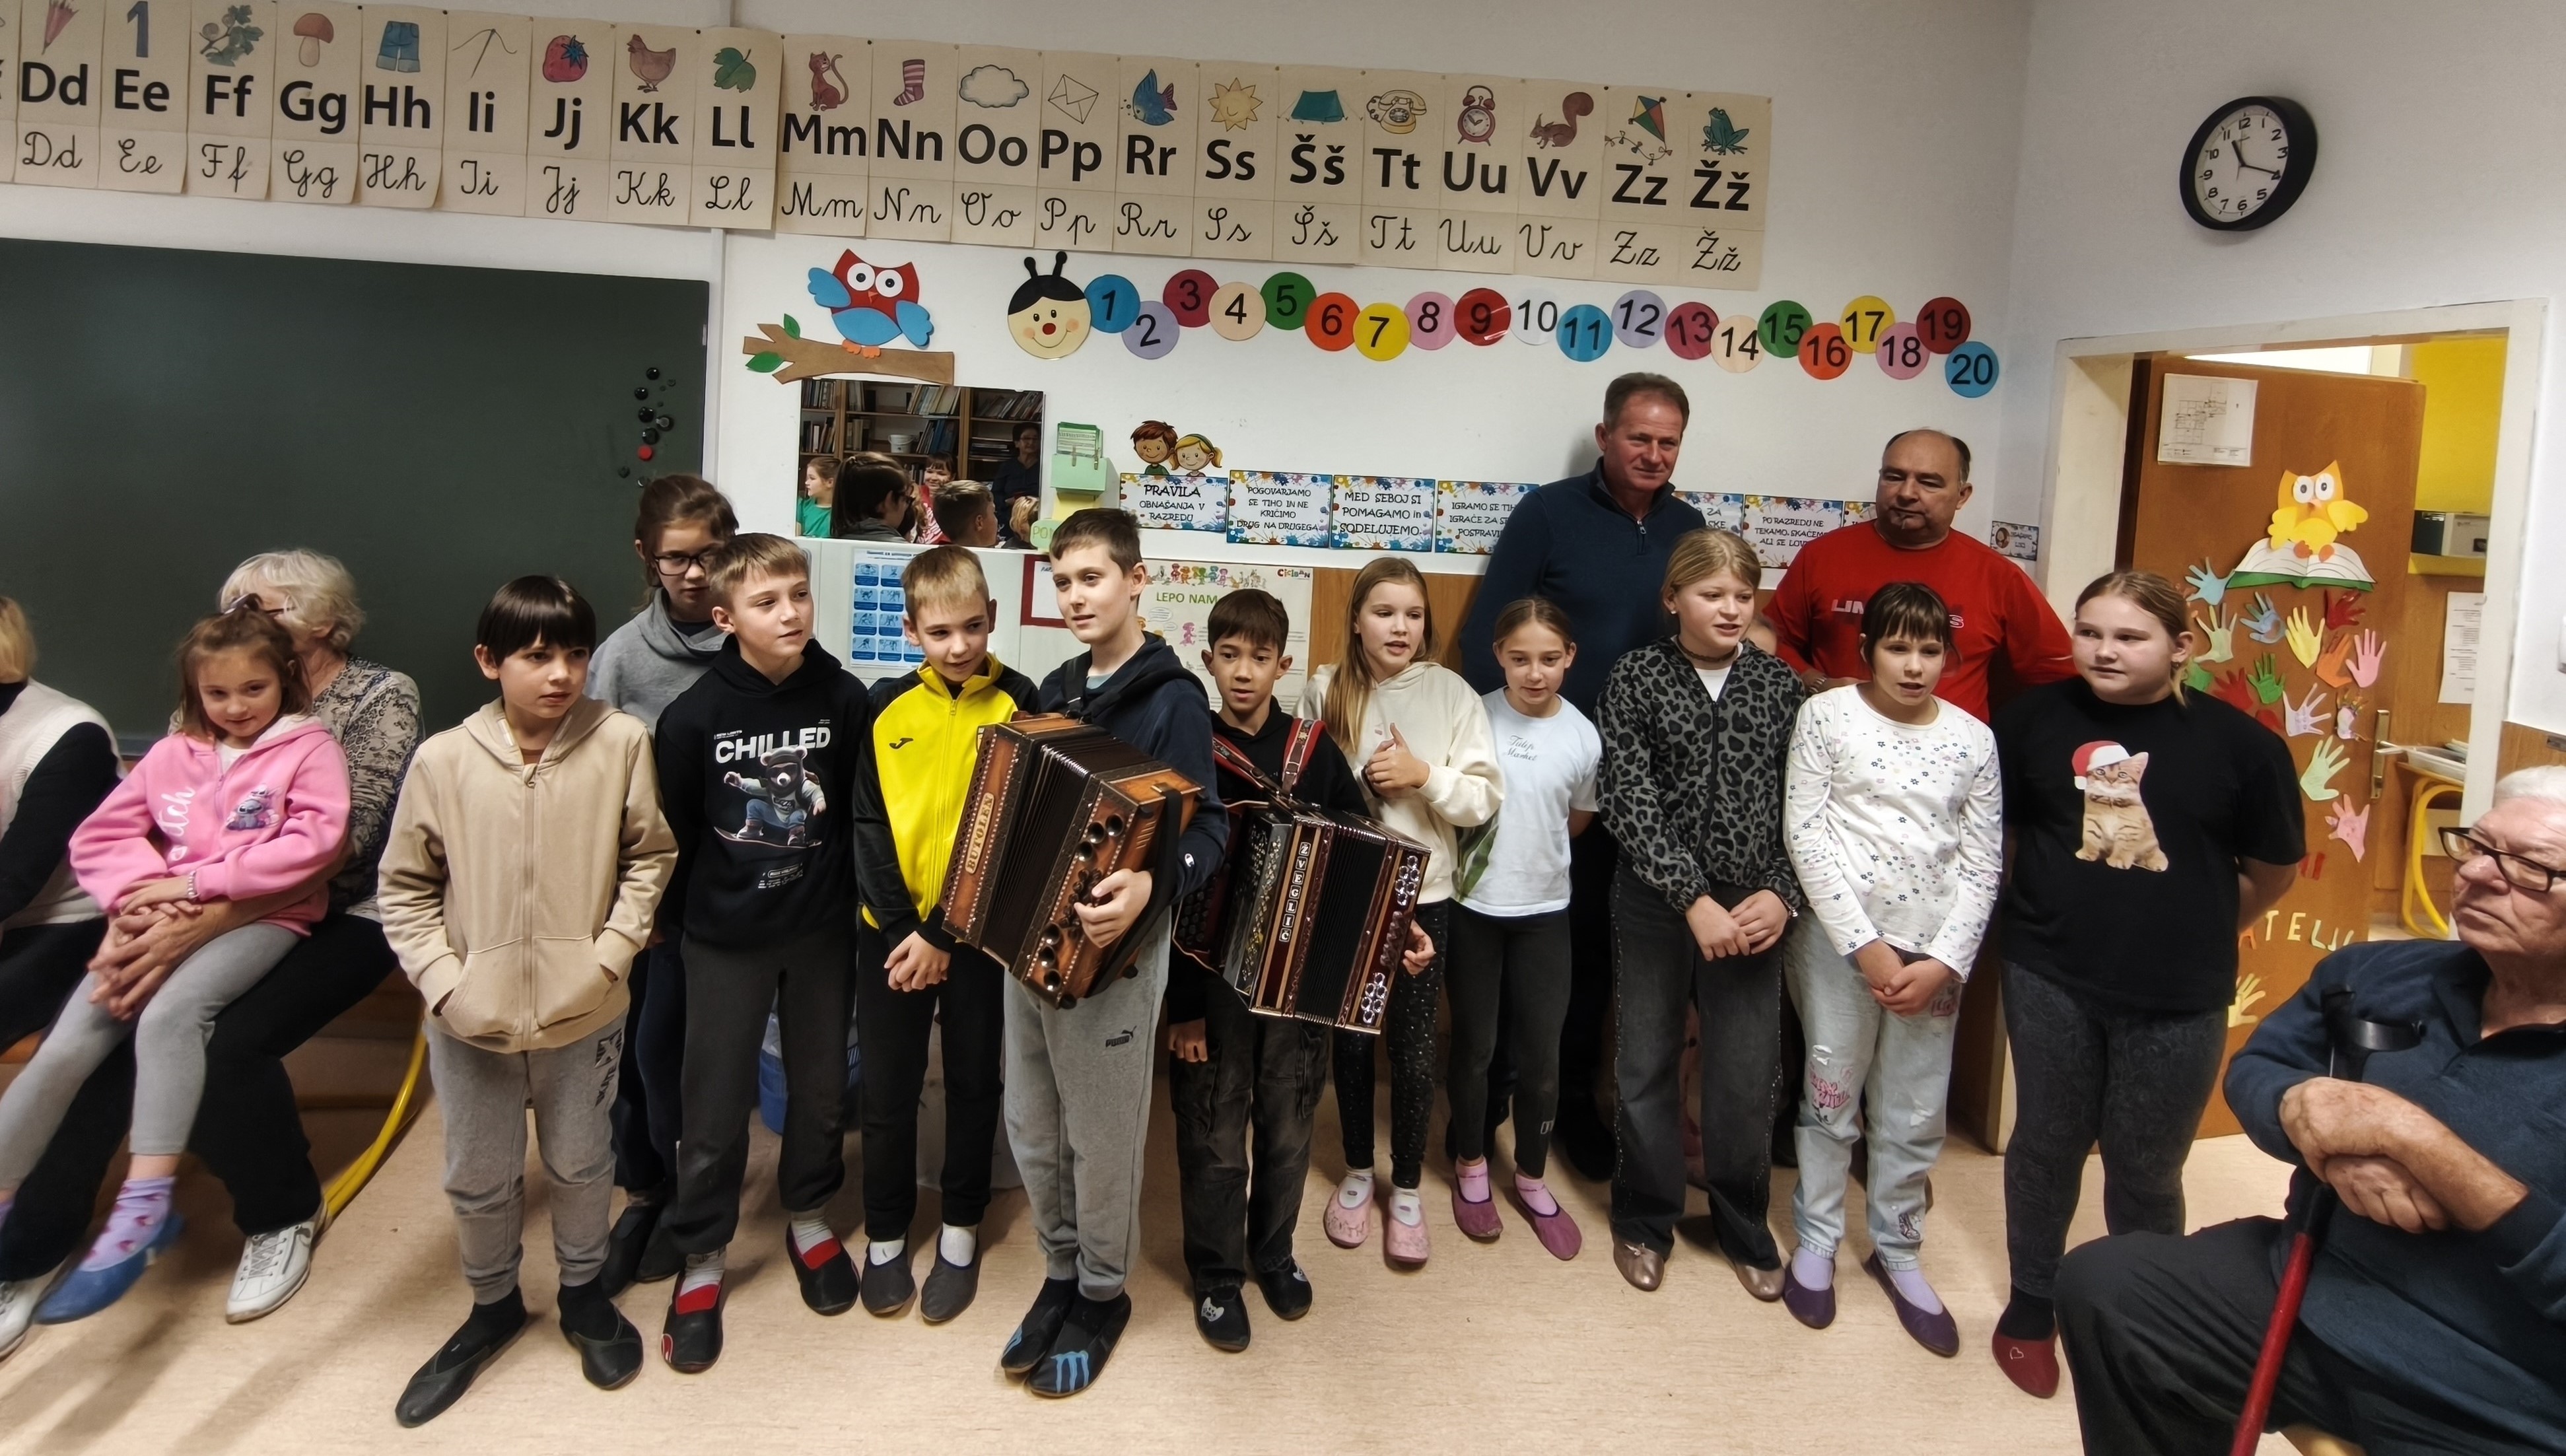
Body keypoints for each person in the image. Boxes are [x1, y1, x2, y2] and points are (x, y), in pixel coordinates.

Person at [2056, 772, 2566, 1453]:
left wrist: (2418, 1142)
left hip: (2491, 1387)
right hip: (2312, 1288)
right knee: (2109, 1287)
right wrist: (2307, 1113)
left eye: (2529, 868)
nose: (2473, 874)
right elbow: (2261, 1067)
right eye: (2476, 846)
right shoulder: (2377, 973)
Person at [0, 554, 420, 1332]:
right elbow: (142, 829)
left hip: (337, 911)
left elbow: (341, 846)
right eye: (230, 606)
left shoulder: (372, 699)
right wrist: (139, 907)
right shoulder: (203, 710)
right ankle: (31, 1242)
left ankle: (277, 1213)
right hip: (189, 901)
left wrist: (196, 905)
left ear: (322, 623)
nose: (239, 618)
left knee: (211, 1040)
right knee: (94, 1027)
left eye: (261, 606)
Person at [1988, 569, 2302, 1399]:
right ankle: (2031, 1302)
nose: (2103, 650)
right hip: (2049, 970)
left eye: (2129, 637)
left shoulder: (2244, 747)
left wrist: (2196, 926)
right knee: (2046, 1142)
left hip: (2178, 989)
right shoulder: (2028, 722)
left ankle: (2148, 1315)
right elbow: (2008, 838)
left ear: (2181, 647)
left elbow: (2271, 871)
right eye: (2089, 632)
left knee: (2146, 1166)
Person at [378, 577, 675, 1426]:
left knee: (582, 1162)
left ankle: (583, 1294)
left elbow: (649, 858)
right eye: (537, 656)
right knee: (478, 1173)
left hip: (586, 1012)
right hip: (470, 1021)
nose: (560, 675)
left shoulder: (621, 742)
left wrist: (608, 959)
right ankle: (492, 1305)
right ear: (489, 661)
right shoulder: (443, 760)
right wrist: (446, 984)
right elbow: (404, 887)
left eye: (576, 655)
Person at [1459, 372, 1706, 1181]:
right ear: (1604, 437)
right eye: (1638, 438)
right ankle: (1485, 1114)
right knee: (1519, 943)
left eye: (1668, 442)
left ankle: (1569, 1110)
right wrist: (1501, 754)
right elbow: (1484, 636)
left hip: (1643, 782)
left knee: (1598, 953)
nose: (1653, 454)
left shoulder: (1688, 528)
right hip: (1543, 775)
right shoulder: (1547, 514)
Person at [1001, 508, 1226, 1398]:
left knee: (1101, 1141)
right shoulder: (1055, 689)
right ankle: (1059, 1271)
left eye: (1091, 578)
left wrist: (1149, 884)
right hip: (1030, 945)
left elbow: (1207, 828)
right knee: (1034, 1125)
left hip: (1115, 958)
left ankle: (1102, 1293)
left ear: (1136, 581)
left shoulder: (1173, 700)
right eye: (1062, 582)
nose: (1075, 596)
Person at [1169, 588, 1428, 1350]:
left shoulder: (1312, 751)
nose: (1243, 672)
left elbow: (1366, 850)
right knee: (1214, 1131)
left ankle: (1274, 1254)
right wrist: (1182, 1007)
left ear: (1282, 665)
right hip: (1213, 983)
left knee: (1287, 1127)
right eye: (1228, 656)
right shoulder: (1191, 749)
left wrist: (1400, 927)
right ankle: (1217, 1273)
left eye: (1259, 658)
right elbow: (1174, 891)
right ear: (1208, 660)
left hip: (1299, 987)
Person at [652, 535, 872, 1371]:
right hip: (724, 940)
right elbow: (673, 834)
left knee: (820, 1089)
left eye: (799, 596)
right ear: (724, 618)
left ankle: (809, 1218)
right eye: (766, 602)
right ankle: (703, 1257)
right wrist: (684, 923)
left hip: (820, 932)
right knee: (712, 1109)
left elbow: (855, 812)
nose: (789, 614)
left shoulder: (844, 697)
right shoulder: (692, 718)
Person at [1778, 582, 2002, 1354]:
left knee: (1912, 1111)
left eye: (1929, 650)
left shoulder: (1973, 739)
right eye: (1897, 648)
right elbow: (1805, 835)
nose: (1913, 666)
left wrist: (1943, 960)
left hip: (1933, 958)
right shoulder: (1826, 717)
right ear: (1867, 649)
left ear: (1949, 655)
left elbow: (1983, 863)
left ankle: (1898, 1248)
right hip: (1839, 945)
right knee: (1830, 1095)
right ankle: (1816, 1240)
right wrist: (1864, 946)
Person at [1599, 528, 1805, 1298]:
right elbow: (1626, 796)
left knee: (1746, 1075)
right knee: (1646, 1064)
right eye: (1710, 594)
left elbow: (1805, 805)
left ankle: (1743, 1224)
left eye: (1742, 596)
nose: (1728, 609)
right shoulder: (1637, 677)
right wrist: (1691, 898)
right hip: (1657, 903)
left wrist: (1781, 893)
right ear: (1671, 599)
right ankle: (1644, 1218)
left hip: (1753, 906)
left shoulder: (1778, 686)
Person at [846, 547, 1037, 1326]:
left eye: (971, 628)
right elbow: (867, 823)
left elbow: (1015, 833)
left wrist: (943, 934)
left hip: (975, 941)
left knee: (972, 1084)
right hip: (889, 939)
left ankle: (961, 1229)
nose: (958, 646)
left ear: (991, 618)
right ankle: (886, 1235)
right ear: (910, 630)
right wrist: (904, 929)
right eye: (938, 632)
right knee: (887, 1091)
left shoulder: (1022, 705)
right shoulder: (884, 706)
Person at [1311, 559, 1504, 1269]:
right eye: (1384, 612)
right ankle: (1359, 1169)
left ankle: (1410, 1185)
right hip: (1352, 892)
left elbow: (1483, 798)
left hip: (1428, 897)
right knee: (1352, 1042)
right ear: (1357, 619)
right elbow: (1311, 797)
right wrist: (1363, 787)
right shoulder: (1326, 688)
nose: (1400, 627)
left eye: (1414, 615)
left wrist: (1424, 776)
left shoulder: (1451, 693)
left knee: (1416, 1051)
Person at [587, 474, 736, 1296]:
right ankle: (646, 1190)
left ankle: (692, 1198)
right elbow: (592, 784)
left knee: (696, 1056)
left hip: (734, 887)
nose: (695, 574)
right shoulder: (618, 659)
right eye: (676, 559)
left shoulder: (756, 639)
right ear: (646, 557)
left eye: (711, 555)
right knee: (641, 1051)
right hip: (649, 895)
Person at [1445, 597, 1597, 1260]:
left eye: (1549, 659)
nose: (1535, 672)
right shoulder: (1473, 717)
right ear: (1498, 657)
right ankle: (1471, 1164)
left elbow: (1576, 819)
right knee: (1474, 1049)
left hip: (1545, 915)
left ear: (1569, 658)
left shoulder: (1583, 736)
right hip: (1474, 909)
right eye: (1519, 658)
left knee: (1541, 1059)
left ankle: (1532, 1177)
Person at [1762, 429, 2073, 722]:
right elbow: (1771, 641)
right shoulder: (1822, 556)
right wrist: (1817, 683)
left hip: (1951, 750)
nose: (1907, 493)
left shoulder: (1998, 576)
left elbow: (2057, 674)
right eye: (1894, 477)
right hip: (1837, 737)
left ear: (1962, 495)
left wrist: (2012, 740)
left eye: (1929, 483)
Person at [0, 599, 118, 1360]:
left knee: (84, 1059)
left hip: (74, 923)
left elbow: (15, 879)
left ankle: (26, 1258)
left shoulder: (65, 733)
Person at [831, 452, 917, 543]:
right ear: (889, 501)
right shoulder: (907, 550)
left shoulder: (829, 545)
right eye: (904, 499)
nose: (906, 507)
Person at [988, 423, 1042, 528]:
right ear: (1017, 443)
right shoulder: (1007, 467)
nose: (1031, 442)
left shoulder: (1044, 467)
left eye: (1035, 439)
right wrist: (1007, 502)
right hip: (1008, 516)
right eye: (1026, 438)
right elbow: (995, 494)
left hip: (1036, 516)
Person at [932, 480, 1000, 549]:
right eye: (994, 513)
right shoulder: (999, 556)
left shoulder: (934, 555)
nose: (997, 521)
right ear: (979, 522)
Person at [915, 458, 954, 545]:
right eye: (929, 472)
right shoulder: (915, 493)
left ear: (952, 477)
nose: (933, 478)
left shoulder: (956, 500)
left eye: (941, 474)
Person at [798, 456, 839, 538]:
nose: (806, 483)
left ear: (830, 482)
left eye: (812, 478)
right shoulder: (801, 507)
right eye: (807, 478)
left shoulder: (843, 513)